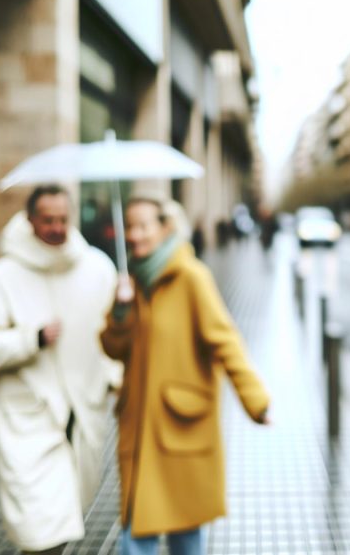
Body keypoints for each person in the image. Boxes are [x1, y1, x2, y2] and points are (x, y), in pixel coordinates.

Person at [100, 195, 271, 555]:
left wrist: (255, 400)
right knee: (136, 534)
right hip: (140, 429)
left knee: (185, 536)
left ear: (166, 228)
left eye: (144, 225)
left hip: (180, 426)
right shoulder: (132, 281)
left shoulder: (191, 277)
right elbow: (113, 349)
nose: (134, 234)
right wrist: (120, 310)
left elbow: (225, 340)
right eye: (129, 226)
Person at [0, 185, 122, 554]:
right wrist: (29, 339)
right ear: (29, 219)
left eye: (63, 219)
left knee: (64, 519)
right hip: (30, 419)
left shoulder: (97, 268)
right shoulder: (3, 275)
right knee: (39, 530)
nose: (56, 227)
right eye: (47, 219)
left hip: (83, 417)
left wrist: (126, 313)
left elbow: (113, 340)